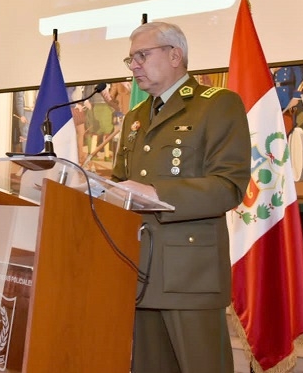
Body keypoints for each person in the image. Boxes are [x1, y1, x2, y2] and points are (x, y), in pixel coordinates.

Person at [111, 21, 250, 373]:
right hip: (140, 268)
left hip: (190, 272)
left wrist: (157, 193)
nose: (135, 65)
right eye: (131, 60)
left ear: (175, 55)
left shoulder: (216, 105)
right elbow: (120, 183)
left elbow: (229, 185)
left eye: (142, 55)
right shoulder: (135, 118)